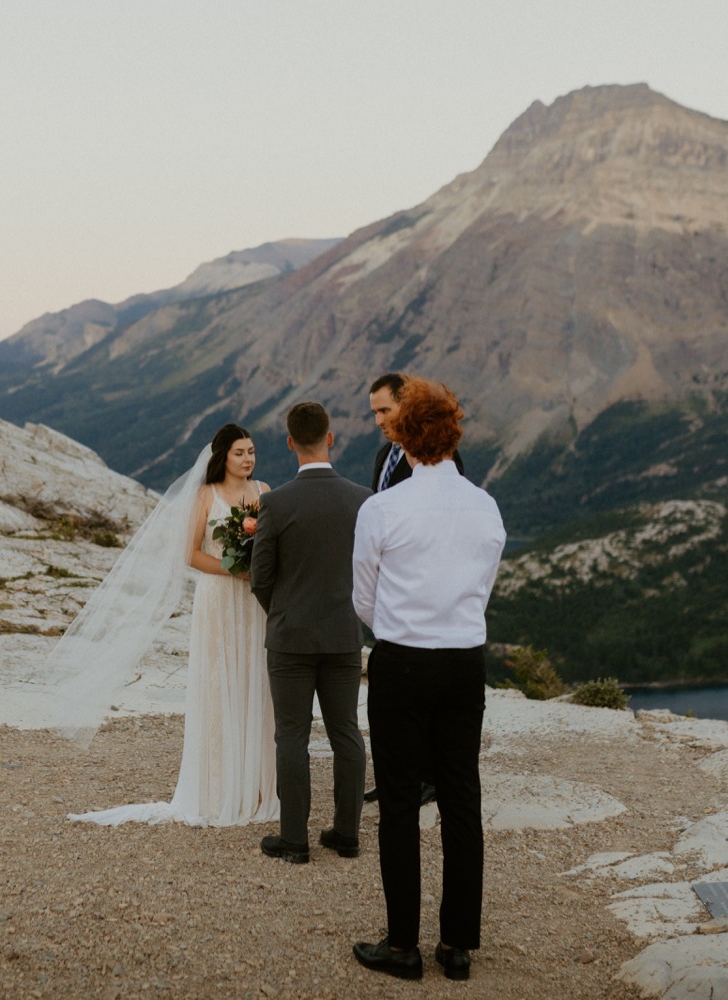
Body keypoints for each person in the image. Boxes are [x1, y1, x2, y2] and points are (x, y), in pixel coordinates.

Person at [350, 380, 506, 981]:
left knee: (397, 801)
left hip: (402, 660)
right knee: (462, 798)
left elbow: (364, 597)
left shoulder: (383, 508)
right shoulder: (486, 506)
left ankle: (402, 945)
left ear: (406, 440)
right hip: (464, 662)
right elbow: (483, 587)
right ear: (453, 435)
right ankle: (458, 945)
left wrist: (398, 620)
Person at [65, 423, 280, 827]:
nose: (248, 459)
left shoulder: (264, 492)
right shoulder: (205, 495)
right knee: (219, 687)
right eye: (239, 452)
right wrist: (234, 570)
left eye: (251, 451)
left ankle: (256, 788)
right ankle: (218, 789)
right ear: (222, 457)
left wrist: (258, 570)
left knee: (256, 684)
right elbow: (189, 554)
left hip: (255, 604)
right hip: (219, 597)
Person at [249, 402, 371, 864]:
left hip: (290, 638)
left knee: (292, 737)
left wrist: (283, 612)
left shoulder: (275, 502)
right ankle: (347, 834)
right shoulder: (361, 499)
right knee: (347, 734)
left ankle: (294, 841)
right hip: (343, 635)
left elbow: (262, 578)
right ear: (332, 438)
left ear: (289, 442)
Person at [363, 371, 463, 807]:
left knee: (420, 684)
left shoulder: (443, 460)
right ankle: (399, 775)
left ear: (409, 405)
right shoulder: (386, 454)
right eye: (375, 413)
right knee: (397, 692)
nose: (380, 421)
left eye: (385, 410)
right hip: (390, 590)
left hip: (425, 591)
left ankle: (428, 777)